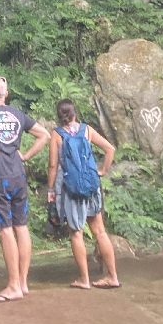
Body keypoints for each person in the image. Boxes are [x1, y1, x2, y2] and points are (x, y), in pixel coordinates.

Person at [0, 76, 50, 302]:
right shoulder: (17, 114)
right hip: (18, 175)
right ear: (6, 94)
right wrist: (25, 156)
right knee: (21, 227)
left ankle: (13, 286)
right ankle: (22, 283)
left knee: (5, 230)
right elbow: (44, 135)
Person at [47, 99, 120, 290]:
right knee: (100, 231)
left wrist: (51, 190)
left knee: (76, 232)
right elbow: (110, 149)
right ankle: (112, 277)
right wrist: (102, 171)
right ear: (75, 113)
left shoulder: (57, 134)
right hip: (91, 185)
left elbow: (53, 165)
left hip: (71, 189)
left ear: (59, 116)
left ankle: (84, 279)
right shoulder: (87, 130)